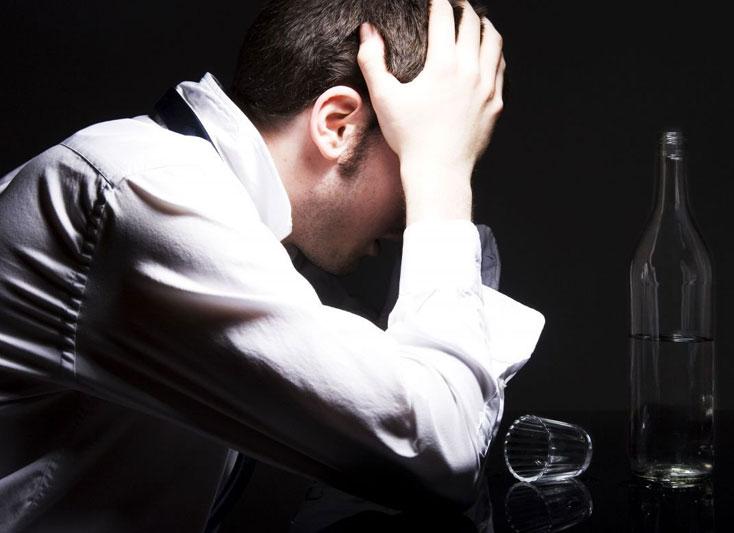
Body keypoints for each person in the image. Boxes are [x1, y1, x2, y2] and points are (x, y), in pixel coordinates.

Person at [0, 0, 545, 531]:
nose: (408, 222)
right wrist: (440, 172)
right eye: (414, 151)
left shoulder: (249, 232)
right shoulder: (143, 194)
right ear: (338, 124)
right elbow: (441, 451)